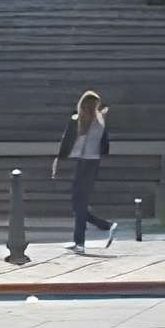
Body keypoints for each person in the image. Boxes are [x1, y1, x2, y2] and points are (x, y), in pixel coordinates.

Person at [51, 90, 113, 253]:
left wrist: (59, 161)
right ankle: (103, 227)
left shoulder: (79, 120)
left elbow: (65, 143)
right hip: (89, 162)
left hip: (84, 162)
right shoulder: (99, 121)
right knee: (78, 203)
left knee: (79, 203)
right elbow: (105, 143)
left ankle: (81, 241)